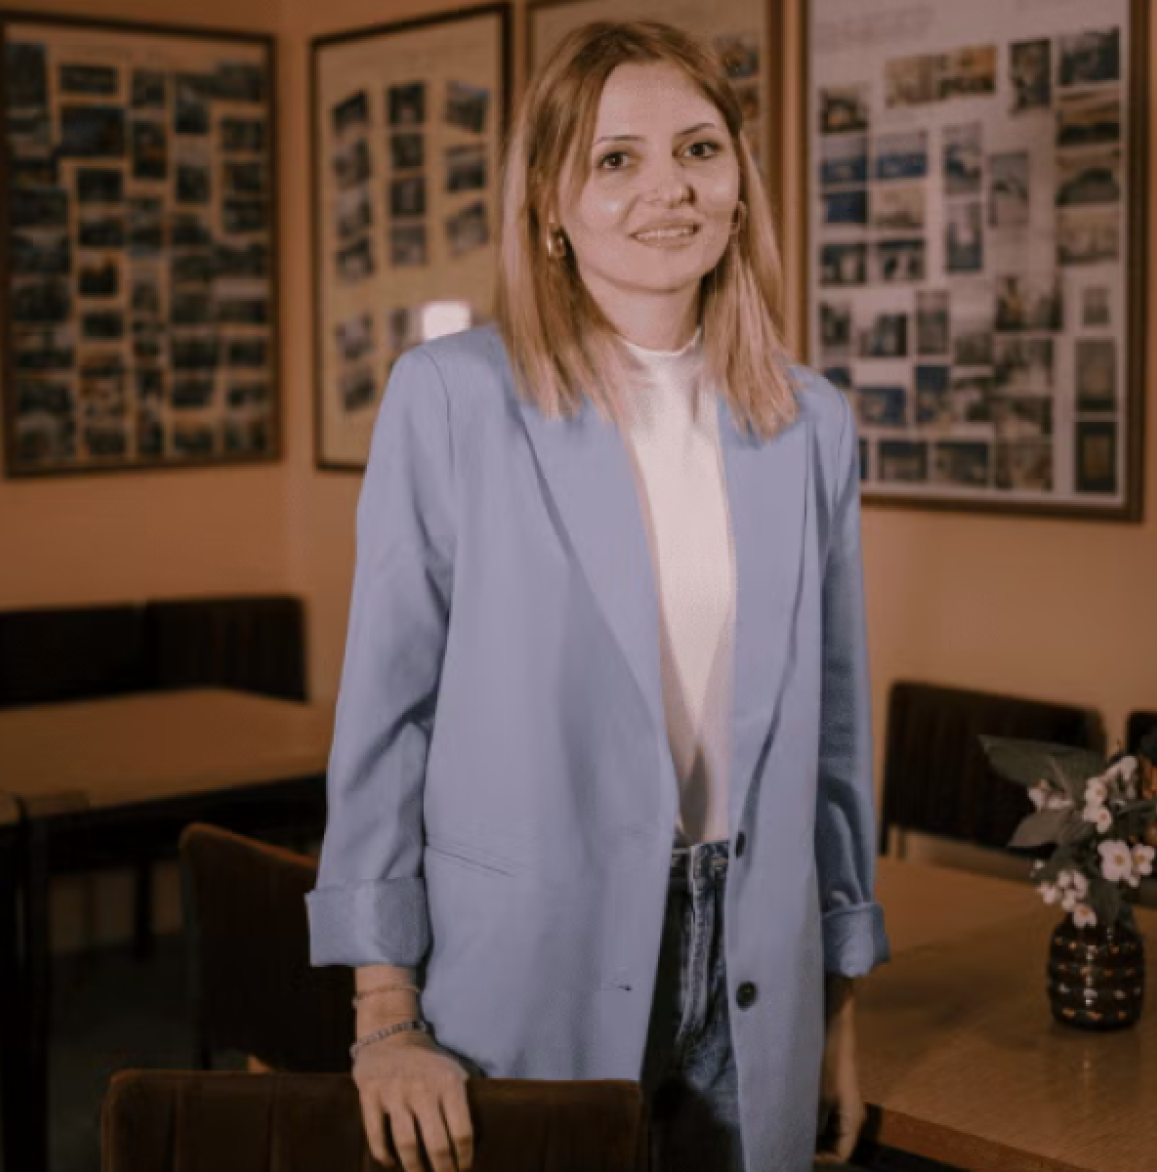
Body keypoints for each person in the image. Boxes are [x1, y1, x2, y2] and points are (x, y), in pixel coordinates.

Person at [305, 20, 890, 1172]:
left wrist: (837, 1009)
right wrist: (385, 1014)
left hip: (756, 967)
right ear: (549, 205)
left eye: (699, 150)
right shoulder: (451, 400)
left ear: (738, 185)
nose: (667, 189)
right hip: (532, 952)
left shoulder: (811, 419)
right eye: (615, 158)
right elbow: (386, 717)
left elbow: (832, 737)